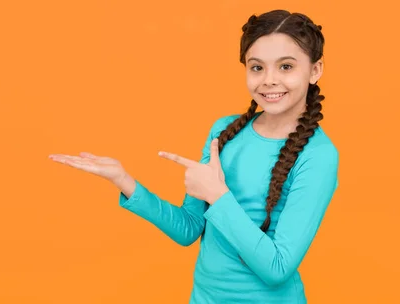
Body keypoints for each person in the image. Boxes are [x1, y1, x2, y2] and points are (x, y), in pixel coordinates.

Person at [49, 9, 339, 304]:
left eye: (286, 67)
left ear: (315, 70)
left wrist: (219, 195)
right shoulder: (224, 132)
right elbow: (189, 228)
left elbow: (277, 268)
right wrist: (124, 181)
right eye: (257, 67)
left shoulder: (318, 156)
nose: (269, 80)